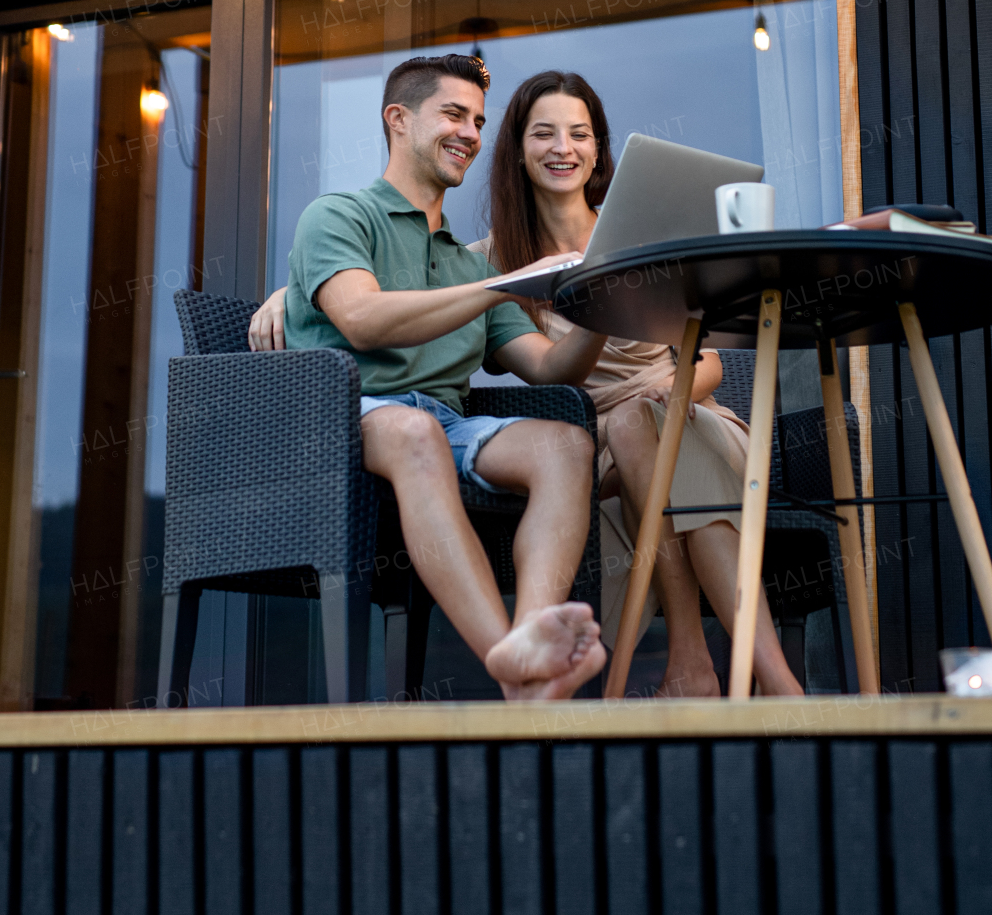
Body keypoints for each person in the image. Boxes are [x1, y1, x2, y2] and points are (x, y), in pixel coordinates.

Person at [247, 52, 607, 703]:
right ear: (398, 119)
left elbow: (552, 368)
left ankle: (530, 638)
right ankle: (510, 668)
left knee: (566, 444)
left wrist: (602, 305)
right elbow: (360, 318)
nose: (471, 132)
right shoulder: (339, 215)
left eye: (478, 120)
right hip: (340, 419)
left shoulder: (468, 269)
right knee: (415, 431)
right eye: (453, 114)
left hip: (446, 424)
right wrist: (501, 287)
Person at [478, 69, 803, 699]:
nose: (562, 149)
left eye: (578, 134)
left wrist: (674, 395)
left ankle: (696, 663)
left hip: (687, 416)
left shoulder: (642, 232)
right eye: (543, 133)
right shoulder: (494, 261)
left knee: (646, 430)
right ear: (518, 148)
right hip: (592, 444)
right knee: (628, 429)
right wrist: (290, 292)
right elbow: (546, 366)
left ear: (599, 148)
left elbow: (704, 362)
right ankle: (771, 679)